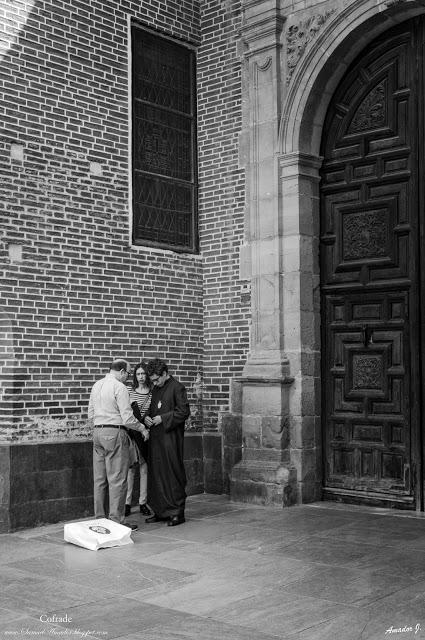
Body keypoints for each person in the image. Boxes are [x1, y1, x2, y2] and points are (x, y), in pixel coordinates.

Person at [87, 358, 149, 531]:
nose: (128, 377)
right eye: (128, 374)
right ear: (121, 372)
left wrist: (99, 426)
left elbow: (90, 413)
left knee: (99, 480)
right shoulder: (119, 387)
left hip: (97, 433)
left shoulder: (96, 385)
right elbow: (128, 418)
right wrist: (142, 428)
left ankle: (99, 519)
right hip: (115, 432)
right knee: (118, 480)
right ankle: (116, 521)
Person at [144, 358, 190, 527]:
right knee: (156, 473)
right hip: (156, 438)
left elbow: (183, 412)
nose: (154, 383)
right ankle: (160, 510)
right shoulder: (156, 388)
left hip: (171, 438)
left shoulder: (177, 387)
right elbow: (153, 408)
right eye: (152, 381)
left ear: (165, 374)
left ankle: (176, 512)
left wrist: (162, 419)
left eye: (157, 379)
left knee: (172, 473)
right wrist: (147, 417)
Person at [125, 362, 152, 517]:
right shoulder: (129, 390)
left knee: (144, 468)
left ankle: (143, 502)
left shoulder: (152, 392)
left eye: (143, 374)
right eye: (138, 374)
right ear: (135, 376)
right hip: (132, 433)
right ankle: (127, 503)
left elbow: (153, 410)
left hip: (146, 434)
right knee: (130, 468)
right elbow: (126, 411)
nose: (141, 377)